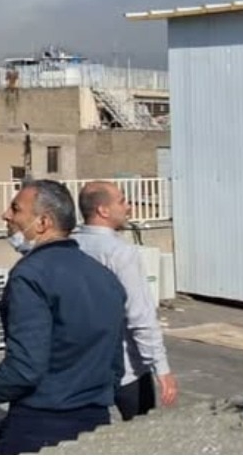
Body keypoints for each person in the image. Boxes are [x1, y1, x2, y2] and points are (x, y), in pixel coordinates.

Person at [0, 180, 127, 455]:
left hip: (40, 425)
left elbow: (24, 368)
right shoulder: (105, 278)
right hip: (95, 425)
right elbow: (115, 365)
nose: (6, 216)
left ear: (43, 222)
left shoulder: (30, 275)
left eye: (16, 209)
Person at [75, 180, 178, 420]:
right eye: (122, 201)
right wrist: (161, 368)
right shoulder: (119, 252)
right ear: (103, 210)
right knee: (142, 435)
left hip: (81, 366)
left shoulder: (71, 245)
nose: (129, 207)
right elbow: (140, 315)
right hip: (125, 367)